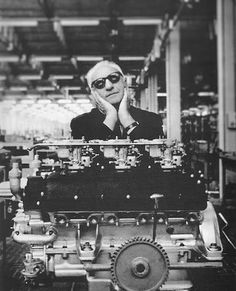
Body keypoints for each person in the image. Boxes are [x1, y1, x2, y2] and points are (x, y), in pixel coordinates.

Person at [70, 60, 163, 140]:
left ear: (124, 82)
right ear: (94, 92)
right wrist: (110, 118)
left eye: (114, 78)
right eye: (99, 83)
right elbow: (88, 157)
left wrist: (127, 119)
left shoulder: (152, 120)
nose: (109, 86)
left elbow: (155, 158)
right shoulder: (80, 124)